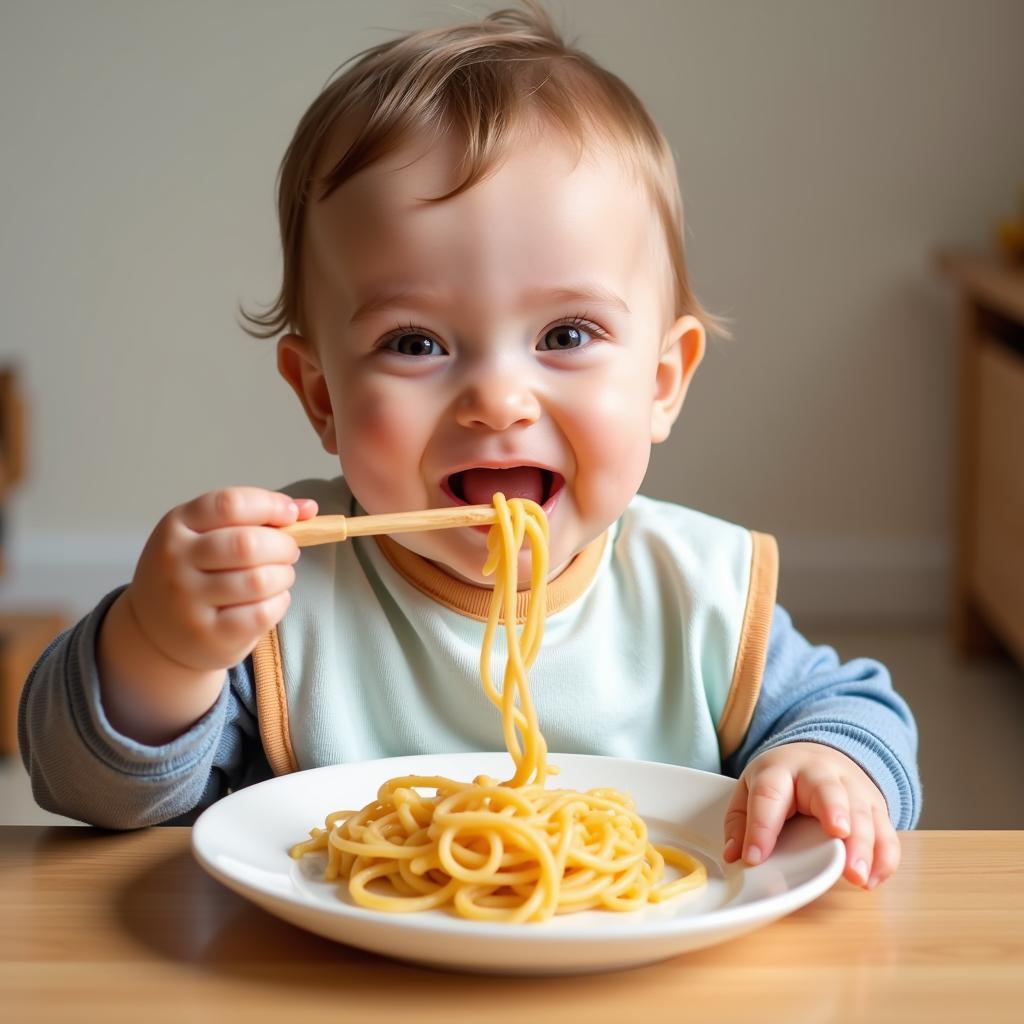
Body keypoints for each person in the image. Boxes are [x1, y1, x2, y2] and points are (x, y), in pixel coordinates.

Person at [19, 0, 919, 891]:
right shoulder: (284, 599)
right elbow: (87, 793)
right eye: (415, 343)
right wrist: (160, 650)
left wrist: (828, 764)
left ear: (661, 380)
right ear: (323, 396)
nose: (497, 400)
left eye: (566, 334)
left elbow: (854, 710)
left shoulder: (699, 593)